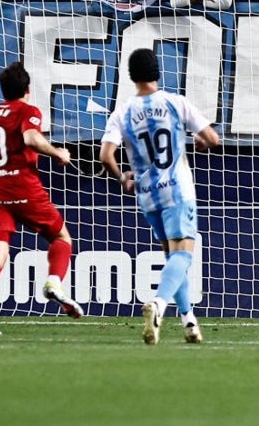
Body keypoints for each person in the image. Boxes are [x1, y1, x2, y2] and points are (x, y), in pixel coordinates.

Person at [101, 48, 220, 345]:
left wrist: (121, 177)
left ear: (131, 76)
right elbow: (213, 139)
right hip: (178, 188)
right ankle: (159, 304)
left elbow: (105, 155)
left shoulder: (123, 112)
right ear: (158, 72)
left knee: (171, 256)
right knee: (183, 255)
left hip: (147, 194)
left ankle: (189, 322)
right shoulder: (175, 102)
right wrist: (199, 143)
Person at [0, 62, 83, 335]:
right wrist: (58, 153)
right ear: (28, 89)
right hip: (22, 186)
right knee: (61, 238)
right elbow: (31, 138)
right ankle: (54, 283)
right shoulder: (28, 110)